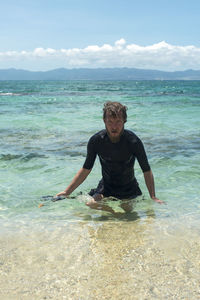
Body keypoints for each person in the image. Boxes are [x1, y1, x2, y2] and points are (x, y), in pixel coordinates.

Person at [56, 101, 164, 212]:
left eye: (118, 122)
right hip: (106, 187)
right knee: (90, 204)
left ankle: (115, 214)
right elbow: (86, 169)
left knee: (127, 215)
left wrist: (153, 196)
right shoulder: (96, 141)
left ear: (124, 121)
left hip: (128, 189)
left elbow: (146, 170)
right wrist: (67, 192)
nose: (114, 126)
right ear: (104, 121)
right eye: (110, 122)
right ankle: (110, 211)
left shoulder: (133, 141)